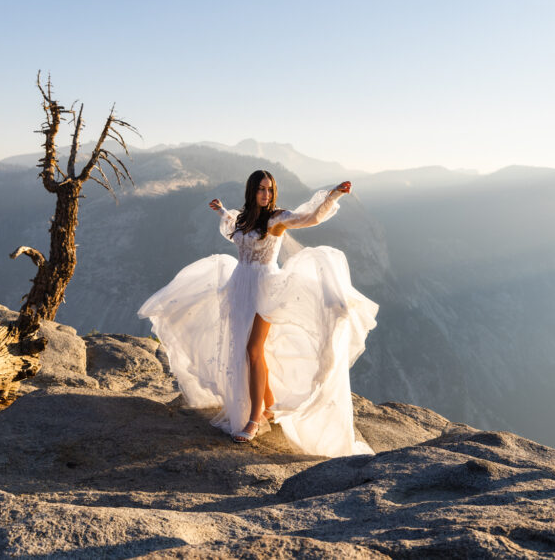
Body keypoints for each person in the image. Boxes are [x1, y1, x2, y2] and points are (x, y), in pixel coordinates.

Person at [138, 170, 378, 457]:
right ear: (252, 191)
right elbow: (236, 235)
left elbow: (309, 218)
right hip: (239, 286)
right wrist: (223, 212)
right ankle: (269, 404)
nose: (266, 194)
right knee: (245, 349)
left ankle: (254, 419)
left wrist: (333, 195)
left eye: (270, 189)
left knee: (253, 350)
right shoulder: (242, 219)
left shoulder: (276, 218)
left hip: (266, 288)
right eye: (261, 189)